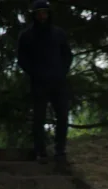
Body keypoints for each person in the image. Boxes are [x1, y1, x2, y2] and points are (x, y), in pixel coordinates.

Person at [17, 0, 72, 167]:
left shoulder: (59, 34)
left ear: (49, 14)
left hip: (58, 82)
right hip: (39, 83)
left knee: (62, 115)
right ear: (34, 15)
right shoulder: (26, 36)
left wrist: (61, 72)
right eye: (39, 13)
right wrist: (35, 73)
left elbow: (68, 55)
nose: (42, 16)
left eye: (45, 12)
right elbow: (22, 59)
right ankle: (40, 151)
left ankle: (60, 151)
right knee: (39, 117)